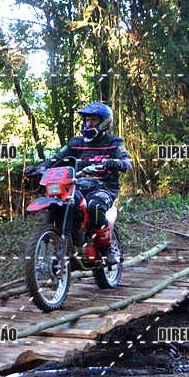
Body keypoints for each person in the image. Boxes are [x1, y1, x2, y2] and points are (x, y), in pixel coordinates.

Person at [25, 102, 132, 264]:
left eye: (93, 120)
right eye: (87, 120)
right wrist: (39, 168)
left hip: (104, 186)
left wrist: (116, 163)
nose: (89, 123)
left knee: (95, 206)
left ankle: (108, 248)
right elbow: (56, 159)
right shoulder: (76, 143)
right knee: (62, 202)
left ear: (104, 122)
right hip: (77, 184)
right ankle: (68, 240)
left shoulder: (114, 142)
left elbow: (127, 162)